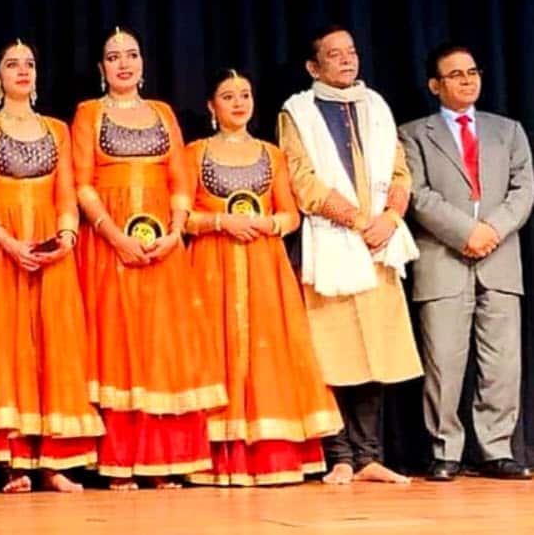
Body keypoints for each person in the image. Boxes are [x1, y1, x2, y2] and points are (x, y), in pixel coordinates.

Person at [72, 27, 226, 490]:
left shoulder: (161, 113)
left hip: (164, 245)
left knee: (164, 346)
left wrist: (177, 232)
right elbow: (82, 183)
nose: (124, 63)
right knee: (119, 343)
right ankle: (121, 461)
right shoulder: (89, 113)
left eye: (132, 55)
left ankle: (166, 461)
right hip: (110, 243)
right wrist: (114, 235)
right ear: (101, 69)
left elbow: (180, 180)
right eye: (114, 57)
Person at [278, 25, 422, 484]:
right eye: (334, 55)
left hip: (380, 243)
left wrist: (390, 219)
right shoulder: (297, 111)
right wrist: (360, 221)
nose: (347, 60)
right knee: (333, 352)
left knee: (374, 353)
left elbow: (401, 170)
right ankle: (340, 454)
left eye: (352, 52)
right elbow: (302, 180)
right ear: (313, 66)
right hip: (332, 243)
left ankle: (370, 455)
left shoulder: (375, 104)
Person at [184, 69, 343, 486]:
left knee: (268, 351)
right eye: (228, 96)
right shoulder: (195, 153)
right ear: (211, 106)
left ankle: (272, 453)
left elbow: (291, 214)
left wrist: (267, 224)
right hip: (212, 263)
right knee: (214, 348)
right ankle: (215, 456)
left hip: (264, 264)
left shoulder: (271, 154)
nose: (238, 103)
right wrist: (221, 221)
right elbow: (181, 217)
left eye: (245, 95)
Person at [0, 39, 103, 493]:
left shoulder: (56, 129)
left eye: (29, 64)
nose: (22, 71)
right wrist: (4, 241)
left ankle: (54, 460)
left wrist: (66, 234)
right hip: (2, 246)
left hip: (51, 246)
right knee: (8, 343)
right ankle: (13, 462)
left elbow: (66, 191)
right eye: (12, 65)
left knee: (54, 343)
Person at [399, 43, 534, 481]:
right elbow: (417, 195)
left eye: (472, 71)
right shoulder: (413, 134)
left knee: (502, 362)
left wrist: (490, 231)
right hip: (444, 258)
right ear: (435, 85)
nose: (467, 80)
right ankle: (445, 450)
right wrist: (466, 233)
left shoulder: (508, 130)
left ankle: (496, 449)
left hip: (499, 258)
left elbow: (523, 191)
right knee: (444, 361)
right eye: (455, 74)